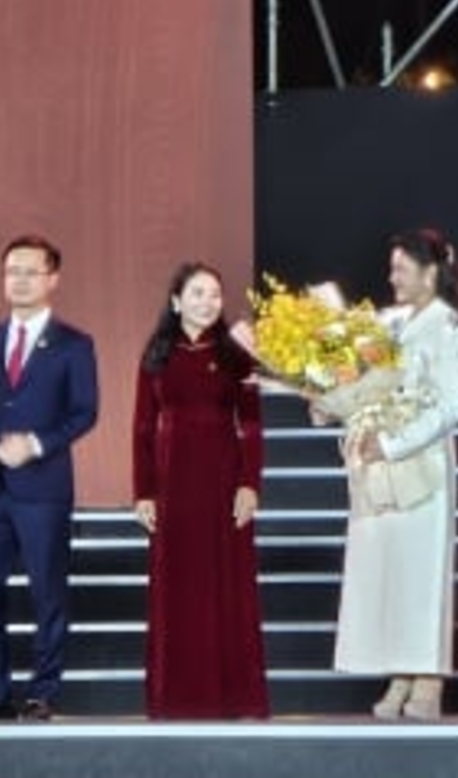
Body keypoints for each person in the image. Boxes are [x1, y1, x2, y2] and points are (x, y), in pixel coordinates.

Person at [322, 228, 458, 722]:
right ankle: (399, 670)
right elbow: (351, 380)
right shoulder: (383, 323)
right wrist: (329, 401)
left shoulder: (456, 328)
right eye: (391, 268)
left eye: (401, 269)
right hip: (374, 464)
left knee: (422, 571)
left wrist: (392, 443)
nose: (391, 277)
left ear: (430, 273)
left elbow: (451, 405)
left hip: (421, 462)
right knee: (385, 569)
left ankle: (428, 675)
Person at [0, 234, 99, 722]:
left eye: (30, 272)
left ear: (52, 279)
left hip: (44, 489)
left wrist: (35, 444)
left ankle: (44, 693)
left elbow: (85, 412)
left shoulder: (74, 344)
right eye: (12, 271)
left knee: (47, 592)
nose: (19, 280)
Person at [131, 262, 269, 719]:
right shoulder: (156, 353)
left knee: (228, 587)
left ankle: (234, 696)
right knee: (176, 591)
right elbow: (142, 427)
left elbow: (252, 424)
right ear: (176, 301)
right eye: (197, 293)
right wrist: (143, 492)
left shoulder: (236, 353)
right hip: (172, 485)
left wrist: (249, 484)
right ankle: (174, 698)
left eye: (214, 294)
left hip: (223, 481)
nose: (208, 302)